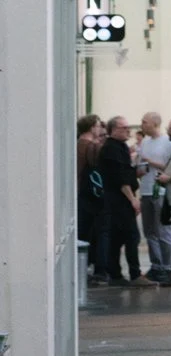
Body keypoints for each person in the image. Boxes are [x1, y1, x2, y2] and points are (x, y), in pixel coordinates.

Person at [93, 117, 144, 285]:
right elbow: (120, 178)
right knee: (131, 236)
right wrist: (132, 199)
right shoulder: (112, 149)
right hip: (118, 200)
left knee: (118, 236)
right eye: (124, 127)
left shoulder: (120, 147)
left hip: (117, 199)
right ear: (113, 130)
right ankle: (134, 274)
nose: (128, 130)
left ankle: (116, 273)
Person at [135, 112, 171, 282]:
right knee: (149, 231)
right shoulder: (145, 142)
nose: (142, 125)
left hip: (160, 191)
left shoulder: (168, 143)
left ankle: (169, 266)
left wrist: (150, 162)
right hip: (146, 189)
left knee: (163, 230)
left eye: (145, 122)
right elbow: (141, 164)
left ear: (155, 123)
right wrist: (139, 169)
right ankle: (157, 265)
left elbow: (170, 167)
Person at [75, 114, 102, 280]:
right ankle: (87, 265)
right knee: (90, 230)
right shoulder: (91, 146)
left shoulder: (78, 143)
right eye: (98, 126)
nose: (100, 129)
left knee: (82, 229)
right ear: (92, 127)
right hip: (89, 193)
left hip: (79, 191)